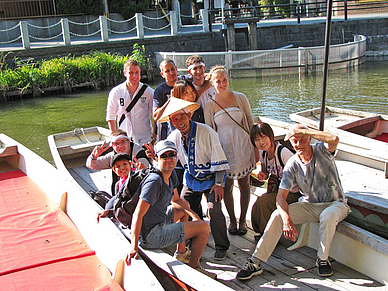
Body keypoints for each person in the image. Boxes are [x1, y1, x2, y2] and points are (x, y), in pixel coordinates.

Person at [236, 124, 349, 280]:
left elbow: (334, 139)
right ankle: (255, 262)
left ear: (309, 138)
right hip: (309, 205)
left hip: (335, 203)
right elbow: (281, 197)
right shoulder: (293, 163)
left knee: (328, 216)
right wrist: (287, 220)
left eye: (302, 140)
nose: (298, 144)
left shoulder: (321, 150)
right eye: (295, 141)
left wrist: (303, 131)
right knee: (277, 215)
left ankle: (322, 260)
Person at [125, 140, 217, 279]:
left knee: (184, 207)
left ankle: (181, 253)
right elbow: (138, 214)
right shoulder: (154, 181)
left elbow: (176, 200)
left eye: (172, 155)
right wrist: (134, 247)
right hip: (149, 236)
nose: (169, 159)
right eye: (164, 156)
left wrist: (193, 215)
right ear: (157, 158)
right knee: (203, 228)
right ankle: (194, 267)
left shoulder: (171, 174)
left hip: (159, 221)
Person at [157, 97, 231, 261]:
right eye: (175, 118)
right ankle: (191, 238)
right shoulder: (174, 137)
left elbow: (219, 159)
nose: (179, 121)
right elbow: (173, 164)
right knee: (184, 205)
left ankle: (221, 245)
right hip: (190, 178)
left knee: (214, 209)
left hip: (212, 178)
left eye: (182, 117)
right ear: (171, 120)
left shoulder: (207, 132)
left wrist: (219, 184)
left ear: (189, 115)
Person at [204, 65, 256, 236]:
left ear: (228, 79)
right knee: (227, 186)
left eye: (224, 79)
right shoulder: (210, 105)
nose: (222, 83)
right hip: (224, 149)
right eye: (218, 81)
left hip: (243, 146)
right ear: (212, 83)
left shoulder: (241, 98)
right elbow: (210, 131)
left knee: (245, 185)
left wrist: (255, 149)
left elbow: (249, 121)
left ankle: (243, 221)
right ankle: (232, 220)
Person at [249, 122, 301, 238]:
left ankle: (268, 236)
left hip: (293, 192)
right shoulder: (264, 154)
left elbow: (300, 174)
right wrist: (264, 175)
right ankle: (262, 231)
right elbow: (266, 173)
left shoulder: (283, 153)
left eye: (263, 137)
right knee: (258, 203)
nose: (261, 142)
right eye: (257, 139)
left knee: (265, 201)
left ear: (271, 136)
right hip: (279, 190)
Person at [106, 58, 154, 144]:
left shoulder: (148, 91)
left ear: (140, 72)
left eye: (137, 73)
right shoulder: (116, 92)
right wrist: (114, 138)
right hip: (123, 138)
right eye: (131, 73)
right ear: (125, 73)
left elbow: (156, 115)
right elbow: (110, 116)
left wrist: (155, 135)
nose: (134, 76)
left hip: (144, 138)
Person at [86, 129, 150, 194]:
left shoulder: (139, 154)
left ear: (128, 141)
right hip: (119, 193)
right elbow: (91, 165)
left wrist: (143, 170)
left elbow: (147, 176)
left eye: (123, 141)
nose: (120, 146)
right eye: (116, 143)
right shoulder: (113, 156)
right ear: (112, 146)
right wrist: (94, 156)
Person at [153, 59, 179, 141]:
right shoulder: (159, 91)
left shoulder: (185, 84)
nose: (171, 73)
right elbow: (156, 116)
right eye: (167, 71)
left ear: (176, 69)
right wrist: (170, 100)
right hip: (167, 131)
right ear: (162, 74)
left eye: (172, 69)